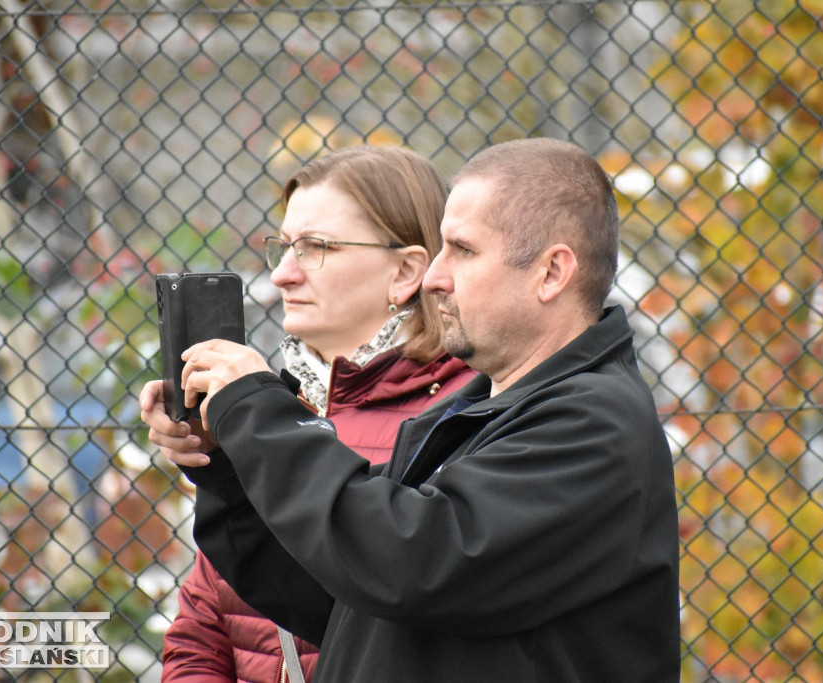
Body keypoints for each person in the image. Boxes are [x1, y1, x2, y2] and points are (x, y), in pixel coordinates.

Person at [143, 138, 681, 681]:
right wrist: (230, 465)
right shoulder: (477, 414)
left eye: (463, 251)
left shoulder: (593, 423)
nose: (435, 276)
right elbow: (347, 598)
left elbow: (412, 560)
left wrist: (257, 411)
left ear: (550, 273)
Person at [143, 146, 476, 681]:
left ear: (407, 271)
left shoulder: (461, 415)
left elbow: (400, 613)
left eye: (317, 247)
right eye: (285, 247)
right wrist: (220, 455)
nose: (283, 276)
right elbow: (202, 622)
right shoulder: (270, 405)